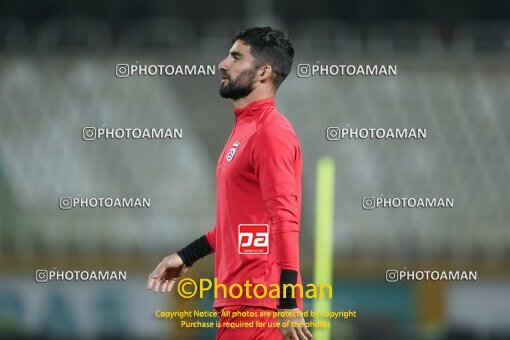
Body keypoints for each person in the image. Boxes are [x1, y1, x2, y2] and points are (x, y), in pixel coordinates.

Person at [147, 27, 312, 340]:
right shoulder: (246, 128)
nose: (223, 64)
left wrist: (288, 301)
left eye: (236, 57)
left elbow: (285, 221)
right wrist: (187, 256)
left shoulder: (270, 132)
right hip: (240, 303)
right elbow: (241, 224)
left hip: (260, 306)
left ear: (264, 72)